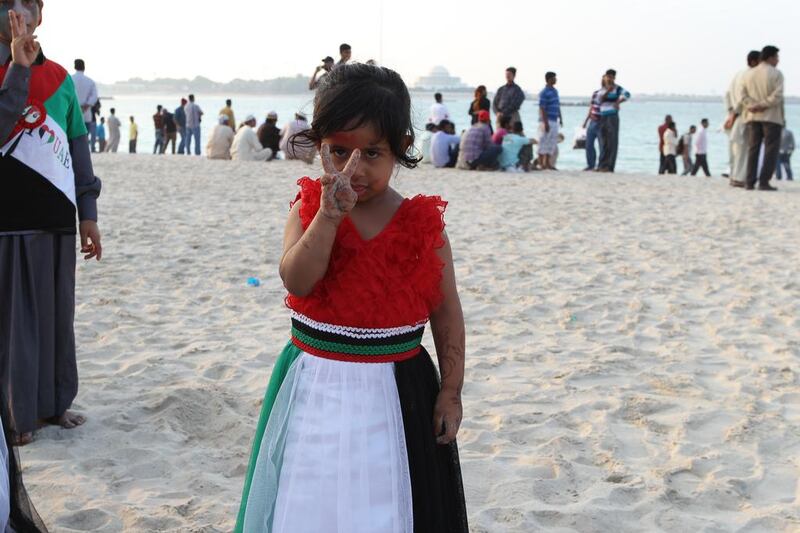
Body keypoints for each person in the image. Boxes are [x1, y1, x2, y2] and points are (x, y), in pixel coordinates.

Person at [234, 62, 467, 533]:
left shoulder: (422, 225)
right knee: (308, 498)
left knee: (390, 504)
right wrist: (327, 218)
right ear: (319, 146)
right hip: (314, 383)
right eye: (339, 151)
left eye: (372, 153)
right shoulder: (307, 207)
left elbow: (446, 310)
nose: (353, 169)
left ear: (401, 148)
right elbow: (297, 281)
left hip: (400, 393)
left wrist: (451, 390)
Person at [0, 2, 102, 447]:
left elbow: (79, 149)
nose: (15, 11)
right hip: (8, 221)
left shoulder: (61, 78)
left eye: (26, 3)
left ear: (40, 15)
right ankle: (17, 414)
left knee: (56, 316)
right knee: (15, 322)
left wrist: (89, 215)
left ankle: (54, 405)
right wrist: (17, 70)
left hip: (56, 218)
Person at [741, 45, 784, 191]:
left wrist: (753, 105)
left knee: (753, 149)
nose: (778, 60)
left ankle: (749, 181)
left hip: (753, 115)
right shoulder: (776, 74)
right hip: (771, 117)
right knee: (770, 150)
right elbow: (777, 96)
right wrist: (763, 105)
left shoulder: (748, 74)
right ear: (770, 57)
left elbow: (743, 96)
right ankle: (764, 181)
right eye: (776, 57)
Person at [724, 51, 761, 188]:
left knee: (735, 150)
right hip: (742, 116)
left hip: (734, 116)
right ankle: (739, 178)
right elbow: (742, 98)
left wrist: (729, 112)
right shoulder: (750, 76)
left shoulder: (738, 74)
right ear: (753, 62)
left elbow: (727, 94)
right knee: (744, 150)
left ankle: (734, 177)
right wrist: (734, 113)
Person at [596, 69, 630, 173]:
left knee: (612, 142)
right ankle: (602, 165)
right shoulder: (602, 89)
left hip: (612, 116)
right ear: (605, 77)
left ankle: (609, 167)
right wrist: (607, 92)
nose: (609, 79)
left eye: (611, 77)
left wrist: (618, 102)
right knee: (603, 142)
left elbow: (627, 94)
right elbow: (599, 101)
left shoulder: (617, 88)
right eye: (608, 76)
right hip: (602, 116)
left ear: (614, 78)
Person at [71, 58, 98, 152]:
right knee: (84, 138)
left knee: (72, 138)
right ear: (84, 67)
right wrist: (86, 106)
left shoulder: (70, 79)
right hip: (86, 113)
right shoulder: (90, 81)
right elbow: (94, 96)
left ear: (74, 66)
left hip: (73, 113)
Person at [538, 71, 562, 170]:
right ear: (549, 79)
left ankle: (548, 163)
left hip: (554, 119)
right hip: (546, 120)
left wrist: (561, 118)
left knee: (551, 142)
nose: (556, 79)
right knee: (543, 141)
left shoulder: (555, 91)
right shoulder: (544, 92)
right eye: (554, 78)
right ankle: (541, 163)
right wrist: (545, 122)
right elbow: (542, 108)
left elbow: (557, 105)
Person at [582, 78, 605, 170]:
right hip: (592, 121)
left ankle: (601, 165)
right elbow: (591, 108)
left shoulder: (608, 95)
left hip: (601, 122)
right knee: (589, 144)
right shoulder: (595, 93)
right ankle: (590, 165)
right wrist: (585, 121)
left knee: (602, 145)